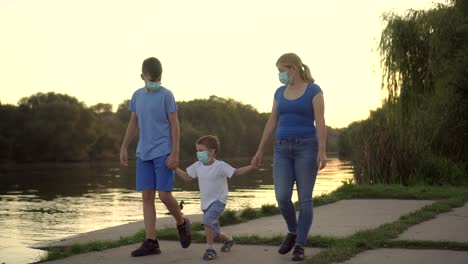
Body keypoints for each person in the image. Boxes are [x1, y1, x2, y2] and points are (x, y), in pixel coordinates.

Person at [250, 53, 327, 261]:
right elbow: (272, 121)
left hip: (307, 149)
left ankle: (300, 245)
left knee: (305, 199)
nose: (280, 76)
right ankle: (293, 232)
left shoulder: (314, 90)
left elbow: (320, 122)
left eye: (281, 71)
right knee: (282, 197)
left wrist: (322, 150)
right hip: (282, 149)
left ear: (293, 69)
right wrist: (260, 150)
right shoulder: (279, 92)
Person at [120, 57, 191, 257]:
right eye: (151, 78)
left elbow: (175, 125)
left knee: (164, 195)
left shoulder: (166, 95)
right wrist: (124, 146)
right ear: (142, 77)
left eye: (158, 78)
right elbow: (133, 123)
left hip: (163, 151)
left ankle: (182, 222)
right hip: (144, 153)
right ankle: (151, 241)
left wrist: (175, 152)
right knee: (147, 196)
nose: (155, 82)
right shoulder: (137, 96)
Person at [175, 135, 253, 261]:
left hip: (218, 201)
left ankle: (210, 249)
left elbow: (236, 172)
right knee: (214, 233)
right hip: (205, 203)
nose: (198, 153)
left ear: (211, 152)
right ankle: (229, 240)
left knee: (206, 221)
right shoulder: (198, 165)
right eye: (197, 150)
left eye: (201, 150)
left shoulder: (220, 166)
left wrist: (251, 166)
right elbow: (188, 177)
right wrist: (175, 169)